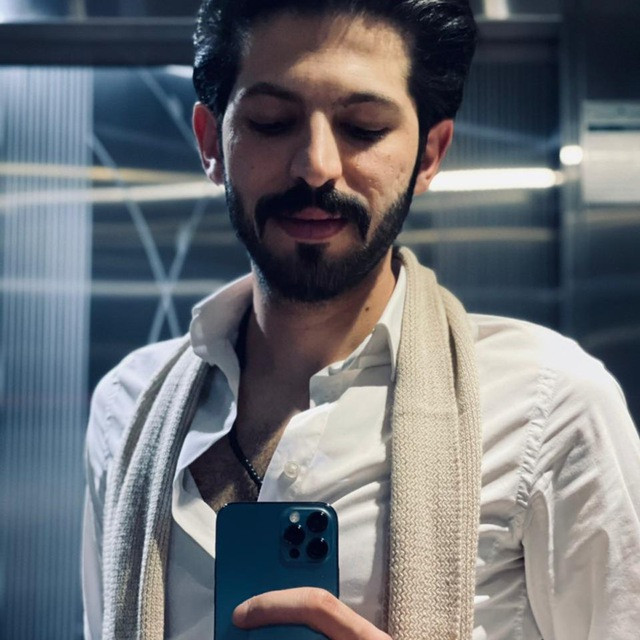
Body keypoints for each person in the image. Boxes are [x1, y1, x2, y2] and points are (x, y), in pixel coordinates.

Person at [82, 1, 640, 638]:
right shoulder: (127, 406)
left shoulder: (552, 406)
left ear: (429, 154)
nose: (316, 165)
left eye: (364, 128)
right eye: (271, 122)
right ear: (211, 142)